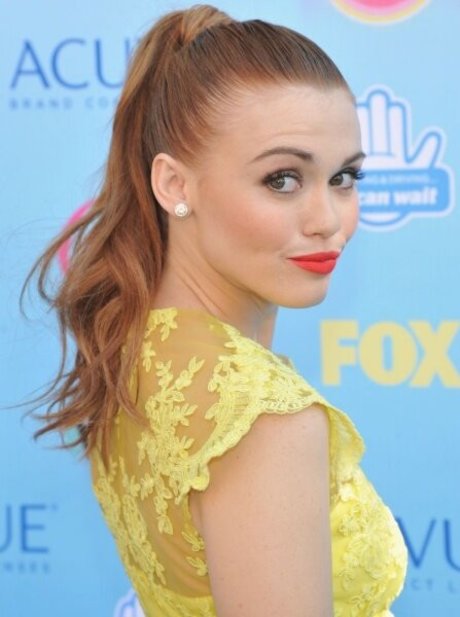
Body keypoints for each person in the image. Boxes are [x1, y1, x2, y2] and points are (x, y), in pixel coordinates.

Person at [29, 4, 407, 616]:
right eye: (282, 179)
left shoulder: (139, 350)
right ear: (175, 185)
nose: (328, 220)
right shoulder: (263, 420)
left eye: (344, 177)